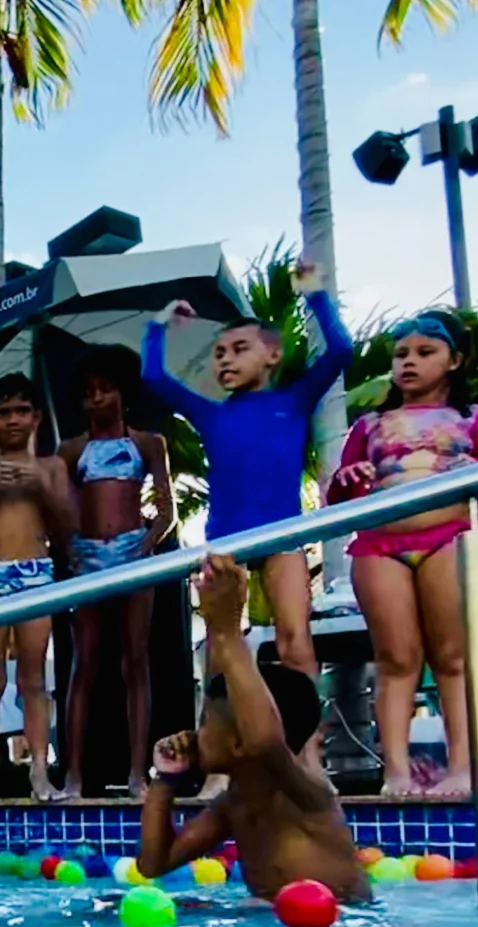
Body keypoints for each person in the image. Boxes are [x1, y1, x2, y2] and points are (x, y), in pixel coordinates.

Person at [327, 310, 478, 795]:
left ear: (454, 360)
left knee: (453, 658)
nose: (409, 362)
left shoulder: (474, 419)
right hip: (378, 546)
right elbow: (337, 498)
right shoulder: (371, 423)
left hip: (448, 539)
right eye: (402, 354)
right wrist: (346, 482)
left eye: (424, 353)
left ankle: (463, 768)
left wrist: (477, 469)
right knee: (395, 660)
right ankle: (397, 772)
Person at [143, 261, 352, 683]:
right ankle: (219, 737)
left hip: (283, 537)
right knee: (222, 644)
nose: (226, 359)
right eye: (219, 353)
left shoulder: (294, 401)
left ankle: (305, 746)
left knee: (295, 639)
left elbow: (341, 351)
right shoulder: (210, 414)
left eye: (240, 349)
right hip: (226, 542)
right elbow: (153, 376)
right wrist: (157, 325)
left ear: (273, 355)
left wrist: (314, 294)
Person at [140, 555, 367, 904]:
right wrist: (164, 781)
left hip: (341, 922)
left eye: (206, 723)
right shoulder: (232, 805)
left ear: (239, 740)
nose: (196, 734)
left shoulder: (306, 791)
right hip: (275, 919)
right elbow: (153, 864)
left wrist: (227, 630)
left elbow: (265, 742)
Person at [0, 372, 75, 801]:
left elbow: (68, 527)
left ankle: (39, 772)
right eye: (3, 412)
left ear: (36, 417)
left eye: (21, 410)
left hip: (36, 571)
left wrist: (42, 488)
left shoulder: (52, 466)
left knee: (33, 680)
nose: (13, 420)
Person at [60, 350, 178, 796]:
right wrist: (71, 551)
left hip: (133, 550)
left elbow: (166, 509)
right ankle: (73, 773)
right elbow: (66, 510)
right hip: (89, 556)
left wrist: (146, 547)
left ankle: (136, 773)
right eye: (89, 393)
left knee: (136, 662)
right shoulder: (72, 450)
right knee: (83, 665)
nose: (96, 398)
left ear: (123, 393)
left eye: (105, 388)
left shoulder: (148, 443)